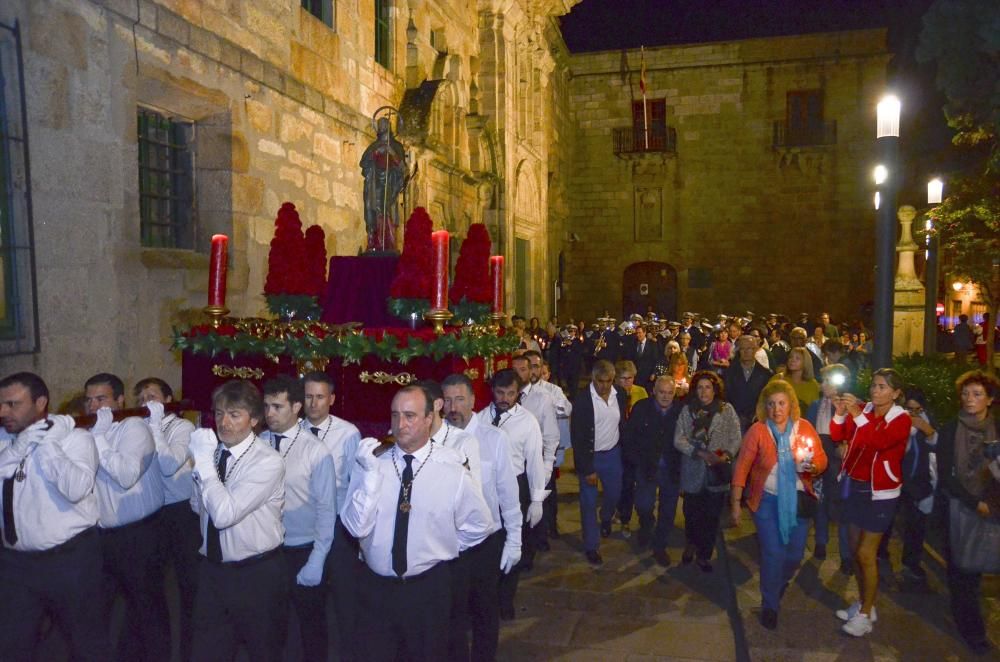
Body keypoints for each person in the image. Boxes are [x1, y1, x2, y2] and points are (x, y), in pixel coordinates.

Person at [343, 385, 491, 661]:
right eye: (395, 415)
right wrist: (371, 478)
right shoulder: (373, 464)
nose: (401, 424)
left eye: (410, 415)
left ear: (428, 419)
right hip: (376, 588)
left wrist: (442, 545)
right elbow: (355, 528)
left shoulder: (451, 469)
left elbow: (479, 525)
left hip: (428, 589)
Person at [0, 372, 111, 661]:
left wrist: (49, 445)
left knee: (86, 643)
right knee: (12, 644)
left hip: (70, 559)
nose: (3, 412)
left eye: (13, 404)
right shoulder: (4, 440)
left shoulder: (75, 439)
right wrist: (16, 450)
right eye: (1, 404)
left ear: (40, 403)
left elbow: (75, 489)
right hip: (16, 562)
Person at [188, 380, 288, 662]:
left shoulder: (267, 461)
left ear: (254, 419)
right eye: (219, 413)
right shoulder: (215, 454)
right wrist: (203, 472)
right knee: (208, 651)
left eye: (234, 414)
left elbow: (223, 516)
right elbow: (198, 507)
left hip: (255, 575)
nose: (224, 422)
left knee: (263, 651)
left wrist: (204, 467)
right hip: (212, 571)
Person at [85, 372, 169, 661]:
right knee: (97, 611)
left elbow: (125, 475)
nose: (94, 406)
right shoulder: (89, 433)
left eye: (102, 399)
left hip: (139, 535)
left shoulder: (134, 427)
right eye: (89, 400)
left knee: (148, 610)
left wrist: (98, 441)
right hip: (103, 537)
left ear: (120, 400)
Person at [730, 380, 828, 629]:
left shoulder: (803, 429)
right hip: (766, 501)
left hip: (798, 501)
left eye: (782, 403)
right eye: (771, 404)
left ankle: (778, 581)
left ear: (791, 404)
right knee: (773, 554)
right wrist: (735, 502)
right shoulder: (759, 431)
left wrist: (814, 466)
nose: (776, 409)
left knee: (794, 555)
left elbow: (821, 459)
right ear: (765, 406)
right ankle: (770, 604)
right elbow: (742, 467)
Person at [442, 373, 522, 661]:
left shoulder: (494, 439)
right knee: (452, 614)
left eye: (460, 399)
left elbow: (508, 495)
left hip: (485, 544)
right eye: (448, 400)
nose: (454, 407)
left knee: (485, 613)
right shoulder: (438, 441)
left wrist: (514, 539)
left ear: (473, 401)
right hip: (449, 544)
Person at [830, 368, 911, 638]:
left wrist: (857, 416)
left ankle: (865, 615)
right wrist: (841, 411)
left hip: (882, 494)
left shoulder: (901, 419)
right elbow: (837, 433)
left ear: (896, 393)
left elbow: (878, 442)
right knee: (855, 551)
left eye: (883, 387)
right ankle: (867, 604)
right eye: (874, 386)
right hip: (857, 487)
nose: (876, 391)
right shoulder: (864, 410)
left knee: (867, 554)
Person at [261, 376, 336, 662]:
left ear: (296, 407)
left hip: (302, 549)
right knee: (270, 625)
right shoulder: (258, 442)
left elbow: (327, 510)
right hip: (267, 550)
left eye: (277, 407)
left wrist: (317, 559)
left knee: (311, 626)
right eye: (266, 406)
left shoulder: (315, 451)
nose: (269, 414)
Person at [134, 377, 199, 661]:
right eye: (140, 399)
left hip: (181, 511)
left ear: (168, 398)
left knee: (189, 585)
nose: (145, 402)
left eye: (152, 395)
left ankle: (191, 651)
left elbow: (170, 463)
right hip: (153, 513)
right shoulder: (141, 428)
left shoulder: (182, 427)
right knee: (149, 587)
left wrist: (156, 428)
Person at [299, 370, 362, 662]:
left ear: (332, 399)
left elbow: (354, 483)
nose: (313, 403)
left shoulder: (347, 433)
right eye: (309, 396)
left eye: (320, 397)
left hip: (337, 525)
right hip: (303, 525)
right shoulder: (293, 430)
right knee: (308, 600)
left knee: (345, 600)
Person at [473, 369, 546, 619]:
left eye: (510, 393)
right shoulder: (480, 418)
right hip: (486, 486)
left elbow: (535, 461)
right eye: (500, 392)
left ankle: (505, 600)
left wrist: (537, 500)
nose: (504, 398)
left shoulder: (527, 422)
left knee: (512, 540)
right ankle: (485, 598)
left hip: (516, 484)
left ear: (518, 393)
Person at [936, 370, 999, 655]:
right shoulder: (950, 429)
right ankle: (972, 631)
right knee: (961, 571)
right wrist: (973, 502)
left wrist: (991, 501)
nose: (969, 399)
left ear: (990, 399)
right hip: (958, 507)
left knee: (978, 569)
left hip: (992, 509)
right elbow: (946, 475)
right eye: (965, 393)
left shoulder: (996, 430)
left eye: (976, 394)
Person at [674, 370, 742, 571]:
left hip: (716, 472)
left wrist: (725, 455)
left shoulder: (726, 410)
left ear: (715, 390)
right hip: (694, 470)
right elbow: (679, 438)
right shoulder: (688, 411)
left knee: (711, 517)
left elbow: (736, 436)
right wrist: (698, 453)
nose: (704, 392)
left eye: (708, 387)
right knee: (692, 512)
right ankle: (691, 544)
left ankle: (705, 553)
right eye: (700, 387)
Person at [571, 360, 628, 565]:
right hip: (591, 456)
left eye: (609, 381)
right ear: (593, 379)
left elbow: (623, 423)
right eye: (600, 381)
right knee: (588, 503)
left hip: (613, 454)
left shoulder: (619, 395)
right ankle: (592, 546)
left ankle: (606, 516)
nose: (605, 386)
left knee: (614, 493)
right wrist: (586, 468)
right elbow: (577, 436)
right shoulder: (583, 400)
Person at [625, 375, 684, 566]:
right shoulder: (642, 408)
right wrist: (636, 460)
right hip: (647, 467)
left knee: (668, 511)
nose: (666, 397)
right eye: (662, 392)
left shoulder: (680, 411)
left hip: (671, 469)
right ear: (654, 391)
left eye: (670, 393)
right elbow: (630, 436)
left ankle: (660, 545)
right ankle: (646, 525)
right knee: (643, 504)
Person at [886, 385, 937, 583]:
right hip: (897, 479)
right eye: (909, 409)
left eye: (918, 410)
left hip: (919, 482)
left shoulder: (928, 421)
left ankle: (911, 563)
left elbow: (937, 448)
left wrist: (928, 430)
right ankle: (881, 553)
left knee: (916, 524)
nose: (914, 414)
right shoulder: (896, 419)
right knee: (888, 519)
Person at [805, 365, 853, 574]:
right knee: (819, 504)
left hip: (840, 464)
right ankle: (821, 542)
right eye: (822, 380)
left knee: (843, 508)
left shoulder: (851, 406)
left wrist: (845, 445)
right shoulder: (816, 406)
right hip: (819, 459)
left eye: (827, 380)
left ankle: (846, 555)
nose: (823, 384)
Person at [614, 360, 648, 537]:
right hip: (616, 443)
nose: (627, 382)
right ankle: (617, 509)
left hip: (634, 445)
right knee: (616, 482)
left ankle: (625, 518)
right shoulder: (612, 394)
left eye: (630, 378)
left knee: (629, 483)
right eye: (623, 378)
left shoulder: (640, 392)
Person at [724, 335, 773, 434]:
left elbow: (767, 399)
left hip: (756, 422)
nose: (746, 352)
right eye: (742, 349)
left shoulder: (766, 374)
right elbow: (725, 397)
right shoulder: (728, 372)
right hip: (732, 422)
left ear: (755, 349)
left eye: (749, 348)